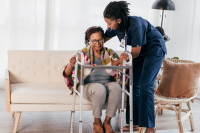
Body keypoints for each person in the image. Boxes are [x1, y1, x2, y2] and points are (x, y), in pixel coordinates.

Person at [103, 1, 167, 133]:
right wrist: (89, 47)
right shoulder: (115, 27)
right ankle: (136, 122)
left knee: (145, 85)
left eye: (109, 23)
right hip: (141, 52)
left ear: (119, 20)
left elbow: (135, 53)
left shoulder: (135, 25)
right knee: (131, 84)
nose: (108, 26)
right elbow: (101, 39)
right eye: (106, 23)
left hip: (155, 49)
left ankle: (150, 126)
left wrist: (122, 62)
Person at [63, 26, 128, 133]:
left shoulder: (109, 52)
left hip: (107, 83)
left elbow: (119, 68)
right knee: (99, 88)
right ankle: (97, 122)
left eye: (100, 40)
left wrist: (122, 59)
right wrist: (71, 64)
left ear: (103, 39)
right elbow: (67, 73)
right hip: (88, 86)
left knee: (116, 87)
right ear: (89, 40)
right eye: (94, 41)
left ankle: (107, 122)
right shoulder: (82, 54)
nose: (97, 43)